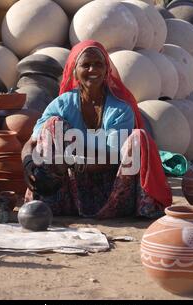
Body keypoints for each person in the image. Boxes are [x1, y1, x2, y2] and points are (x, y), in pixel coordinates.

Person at [21, 40, 172, 219]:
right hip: (71, 188)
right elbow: (32, 141)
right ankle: (50, 200)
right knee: (53, 124)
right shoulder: (63, 104)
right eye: (86, 65)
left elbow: (116, 155)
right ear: (74, 72)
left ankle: (137, 209)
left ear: (107, 70)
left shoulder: (120, 109)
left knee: (139, 137)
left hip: (113, 189)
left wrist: (75, 162)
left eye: (98, 64)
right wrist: (28, 163)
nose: (93, 70)